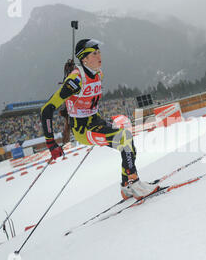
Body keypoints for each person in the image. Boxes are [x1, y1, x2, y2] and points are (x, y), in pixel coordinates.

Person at [40, 38, 159, 200]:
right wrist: (50, 143)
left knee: (128, 145)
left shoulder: (98, 73)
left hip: (95, 121)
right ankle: (135, 183)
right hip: (83, 129)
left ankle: (127, 187)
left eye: (99, 52)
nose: (99, 56)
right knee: (125, 139)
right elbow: (46, 109)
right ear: (84, 59)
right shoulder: (75, 80)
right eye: (94, 53)